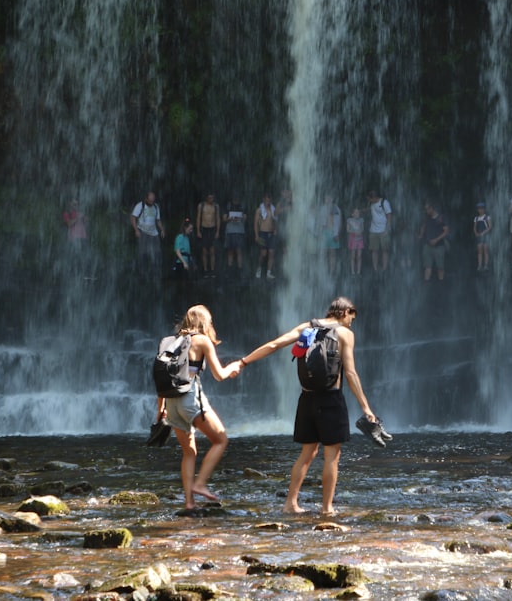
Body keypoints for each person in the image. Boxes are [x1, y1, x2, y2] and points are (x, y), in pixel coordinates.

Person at [236, 296, 377, 515]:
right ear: (346, 312)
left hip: (307, 399)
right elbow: (350, 372)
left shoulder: (306, 327)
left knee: (307, 453)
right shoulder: (344, 334)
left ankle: (290, 503)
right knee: (332, 456)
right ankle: (327, 508)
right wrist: (366, 407)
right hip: (331, 399)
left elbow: (275, 344)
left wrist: (243, 362)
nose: (352, 322)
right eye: (352, 317)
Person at [155, 305, 242, 510]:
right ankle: (200, 483)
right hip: (189, 399)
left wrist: (160, 409)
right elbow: (219, 375)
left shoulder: (171, 342)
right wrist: (234, 367)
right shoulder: (202, 340)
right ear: (204, 323)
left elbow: (162, 377)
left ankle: (189, 503)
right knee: (220, 440)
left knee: (189, 452)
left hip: (171, 401)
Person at [130, 191, 166, 273]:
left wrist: (162, 229)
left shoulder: (156, 207)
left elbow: (158, 220)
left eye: (153, 201)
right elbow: (133, 218)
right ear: (146, 198)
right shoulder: (140, 205)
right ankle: (142, 272)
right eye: (150, 201)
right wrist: (136, 230)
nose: (151, 202)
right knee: (143, 252)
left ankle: (156, 271)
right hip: (143, 232)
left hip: (154, 233)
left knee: (157, 252)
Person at [418, 202, 449, 281]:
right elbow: (423, 226)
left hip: (439, 246)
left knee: (440, 267)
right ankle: (426, 283)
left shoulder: (441, 217)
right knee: (427, 267)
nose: (426, 211)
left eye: (427, 209)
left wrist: (436, 239)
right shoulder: (426, 218)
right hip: (427, 245)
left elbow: (446, 231)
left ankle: (441, 284)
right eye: (425, 209)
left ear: (432, 208)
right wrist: (421, 235)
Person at [367, 191, 393, 273]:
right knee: (374, 250)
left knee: (385, 250)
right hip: (373, 230)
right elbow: (369, 209)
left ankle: (384, 269)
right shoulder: (371, 203)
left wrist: (387, 229)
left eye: (370, 199)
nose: (369, 200)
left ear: (374, 197)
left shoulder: (384, 202)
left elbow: (389, 215)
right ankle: (375, 268)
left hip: (383, 230)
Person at [196, 193, 220, 278]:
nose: (211, 199)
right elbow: (198, 218)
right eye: (210, 198)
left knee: (212, 251)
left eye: (212, 198)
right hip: (204, 228)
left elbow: (218, 218)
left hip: (212, 228)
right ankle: (205, 270)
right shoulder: (201, 205)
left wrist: (217, 231)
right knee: (204, 251)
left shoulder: (216, 206)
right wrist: (198, 230)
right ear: (206, 198)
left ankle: (212, 270)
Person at [254, 194, 277, 279]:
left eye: (269, 201)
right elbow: (255, 223)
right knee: (263, 253)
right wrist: (256, 235)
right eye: (267, 200)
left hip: (271, 234)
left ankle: (269, 272)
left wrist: (275, 229)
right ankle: (259, 269)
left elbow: (274, 221)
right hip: (262, 233)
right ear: (263, 200)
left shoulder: (273, 209)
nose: (268, 202)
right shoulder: (259, 210)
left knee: (271, 253)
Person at [222, 195, 247, 276]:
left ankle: (240, 270)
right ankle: (230, 269)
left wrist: (240, 218)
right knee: (230, 251)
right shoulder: (228, 206)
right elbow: (224, 218)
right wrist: (231, 218)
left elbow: (245, 218)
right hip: (230, 231)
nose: (236, 199)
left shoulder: (242, 205)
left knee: (239, 250)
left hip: (240, 231)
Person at [319, 195, 342, 276]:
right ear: (324, 199)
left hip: (333, 232)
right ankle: (323, 270)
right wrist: (320, 233)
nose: (328, 199)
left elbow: (339, 222)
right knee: (323, 253)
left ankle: (332, 271)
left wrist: (337, 234)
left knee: (332, 253)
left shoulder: (336, 208)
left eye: (329, 197)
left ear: (332, 199)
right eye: (326, 198)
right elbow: (319, 222)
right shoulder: (322, 209)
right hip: (324, 232)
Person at [346, 208, 365, 276]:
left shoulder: (361, 220)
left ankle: (359, 271)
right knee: (353, 256)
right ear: (352, 214)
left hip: (360, 239)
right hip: (352, 239)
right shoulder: (349, 220)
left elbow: (362, 228)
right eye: (356, 212)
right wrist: (354, 232)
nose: (357, 214)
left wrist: (360, 232)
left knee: (359, 256)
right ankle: (352, 271)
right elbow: (347, 230)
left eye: (358, 212)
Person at [473, 202, 491, 271]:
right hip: (479, 235)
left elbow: (490, 227)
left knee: (485, 250)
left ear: (484, 209)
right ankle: (479, 265)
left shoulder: (487, 217)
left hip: (486, 235)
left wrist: (484, 233)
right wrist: (476, 233)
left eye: (482, 209)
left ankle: (486, 265)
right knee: (479, 251)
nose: (480, 210)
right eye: (479, 209)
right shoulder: (476, 218)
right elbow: (474, 227)